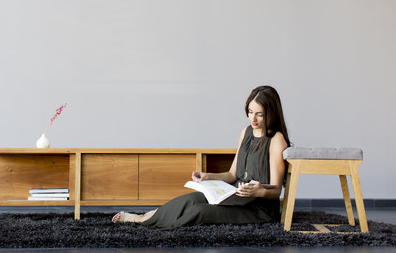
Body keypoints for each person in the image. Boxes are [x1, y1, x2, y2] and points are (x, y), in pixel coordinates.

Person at [112, 85, 291, 229]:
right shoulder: (246, 132)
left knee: (198, 211)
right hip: (235, 195)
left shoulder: (276, 140)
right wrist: (207, 176)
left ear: (271, 113)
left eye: (259, 114)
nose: (253, 118)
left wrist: (259, 191)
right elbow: (232, 174)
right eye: (250, 112)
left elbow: (276, 190)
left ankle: (152, 224)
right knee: (188, 200)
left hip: (258, 209)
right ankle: (142, 218)